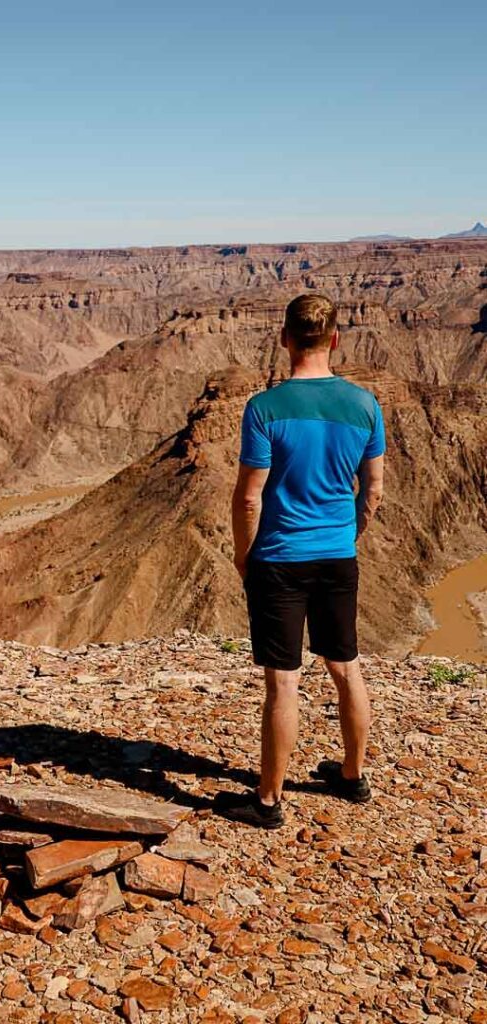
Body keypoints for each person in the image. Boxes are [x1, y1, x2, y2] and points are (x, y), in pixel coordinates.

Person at [225, 293, 385, 829]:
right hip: (337, 556)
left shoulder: (265, 408)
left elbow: (249, 497)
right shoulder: (365, 405)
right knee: (346, 667)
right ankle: (352, 775)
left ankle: (268, 801)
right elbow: (374, 490)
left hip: (280, 560)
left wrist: (245, 557)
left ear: (284, 339)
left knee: (284, 681)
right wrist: (349, 533)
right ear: (336, 338)